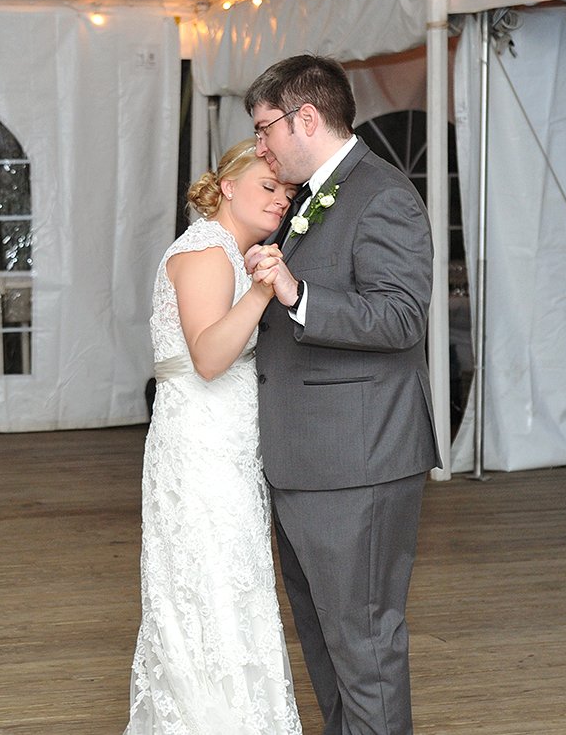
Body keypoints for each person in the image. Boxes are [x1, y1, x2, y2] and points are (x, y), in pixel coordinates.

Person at [244, 55, 442, 735]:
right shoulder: (305, 199)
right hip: (305, 463)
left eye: (266, 127)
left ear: (306, 118)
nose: (261, 145)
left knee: (365, 646)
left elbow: (401, 318)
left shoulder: (382, 194)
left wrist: (297, 294)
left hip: (356, 466)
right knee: (327, 646)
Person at [123, 138, 303, 735]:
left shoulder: (228, 248)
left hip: (225, 449)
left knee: (232, 590)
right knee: (211, 596)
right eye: (267, 187)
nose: (281, 200)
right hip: (200, 453)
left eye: (287, 191)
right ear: (226, 186)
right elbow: (207, 357)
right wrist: (259, 292)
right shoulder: (205, 252)